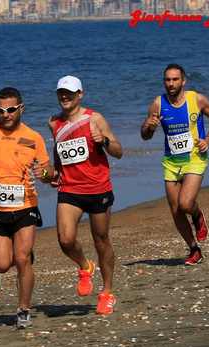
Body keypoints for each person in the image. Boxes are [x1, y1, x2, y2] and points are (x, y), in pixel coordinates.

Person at [0, 87, 53, 328]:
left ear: (21, 109)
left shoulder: (33, 137)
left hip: (25, 206)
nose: (6, 114)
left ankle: (23, 309)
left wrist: (44, 173)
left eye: (11, 109)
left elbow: (49, 171)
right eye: (1, 110)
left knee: (23, 259)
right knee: (3, 264)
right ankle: (19, 256)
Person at [40, 75, 123, 315]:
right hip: (70, 189)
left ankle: (107, 292)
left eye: (69, 92)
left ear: (80, 94)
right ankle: (85, 266)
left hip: (98, 188)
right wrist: (48, 174)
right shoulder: (53, 123)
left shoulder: (94, 119)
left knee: (101, 240)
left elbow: (119, 151)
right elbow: (58, 160)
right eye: (61, 93)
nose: (64, 96)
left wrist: (104, 141)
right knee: (65, 240)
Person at [141, 64, 209, 265]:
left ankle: (197, 216)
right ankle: (194, 249)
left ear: (183, 81)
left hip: (194, 158)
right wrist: (149, 127)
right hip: (171, 161)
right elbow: (145, 136)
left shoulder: (197, 99)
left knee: (186, 203)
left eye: (175, 79)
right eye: (167, 80)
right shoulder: (157, 104)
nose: (171, 83)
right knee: (176, 210)